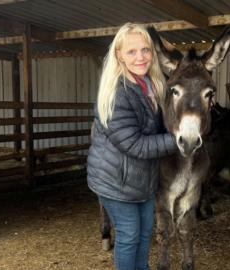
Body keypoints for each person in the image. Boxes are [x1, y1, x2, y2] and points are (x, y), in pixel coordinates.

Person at [87, 23, 177, 270]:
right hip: (116, 180)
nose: (141, 57)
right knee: (129, 236)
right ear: (119, 55)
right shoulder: (117, 92)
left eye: (146, 50)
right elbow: (135, 144)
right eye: (132, 51)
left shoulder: (152, 84)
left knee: (145, 233)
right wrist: (179, 140)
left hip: (142, 179)